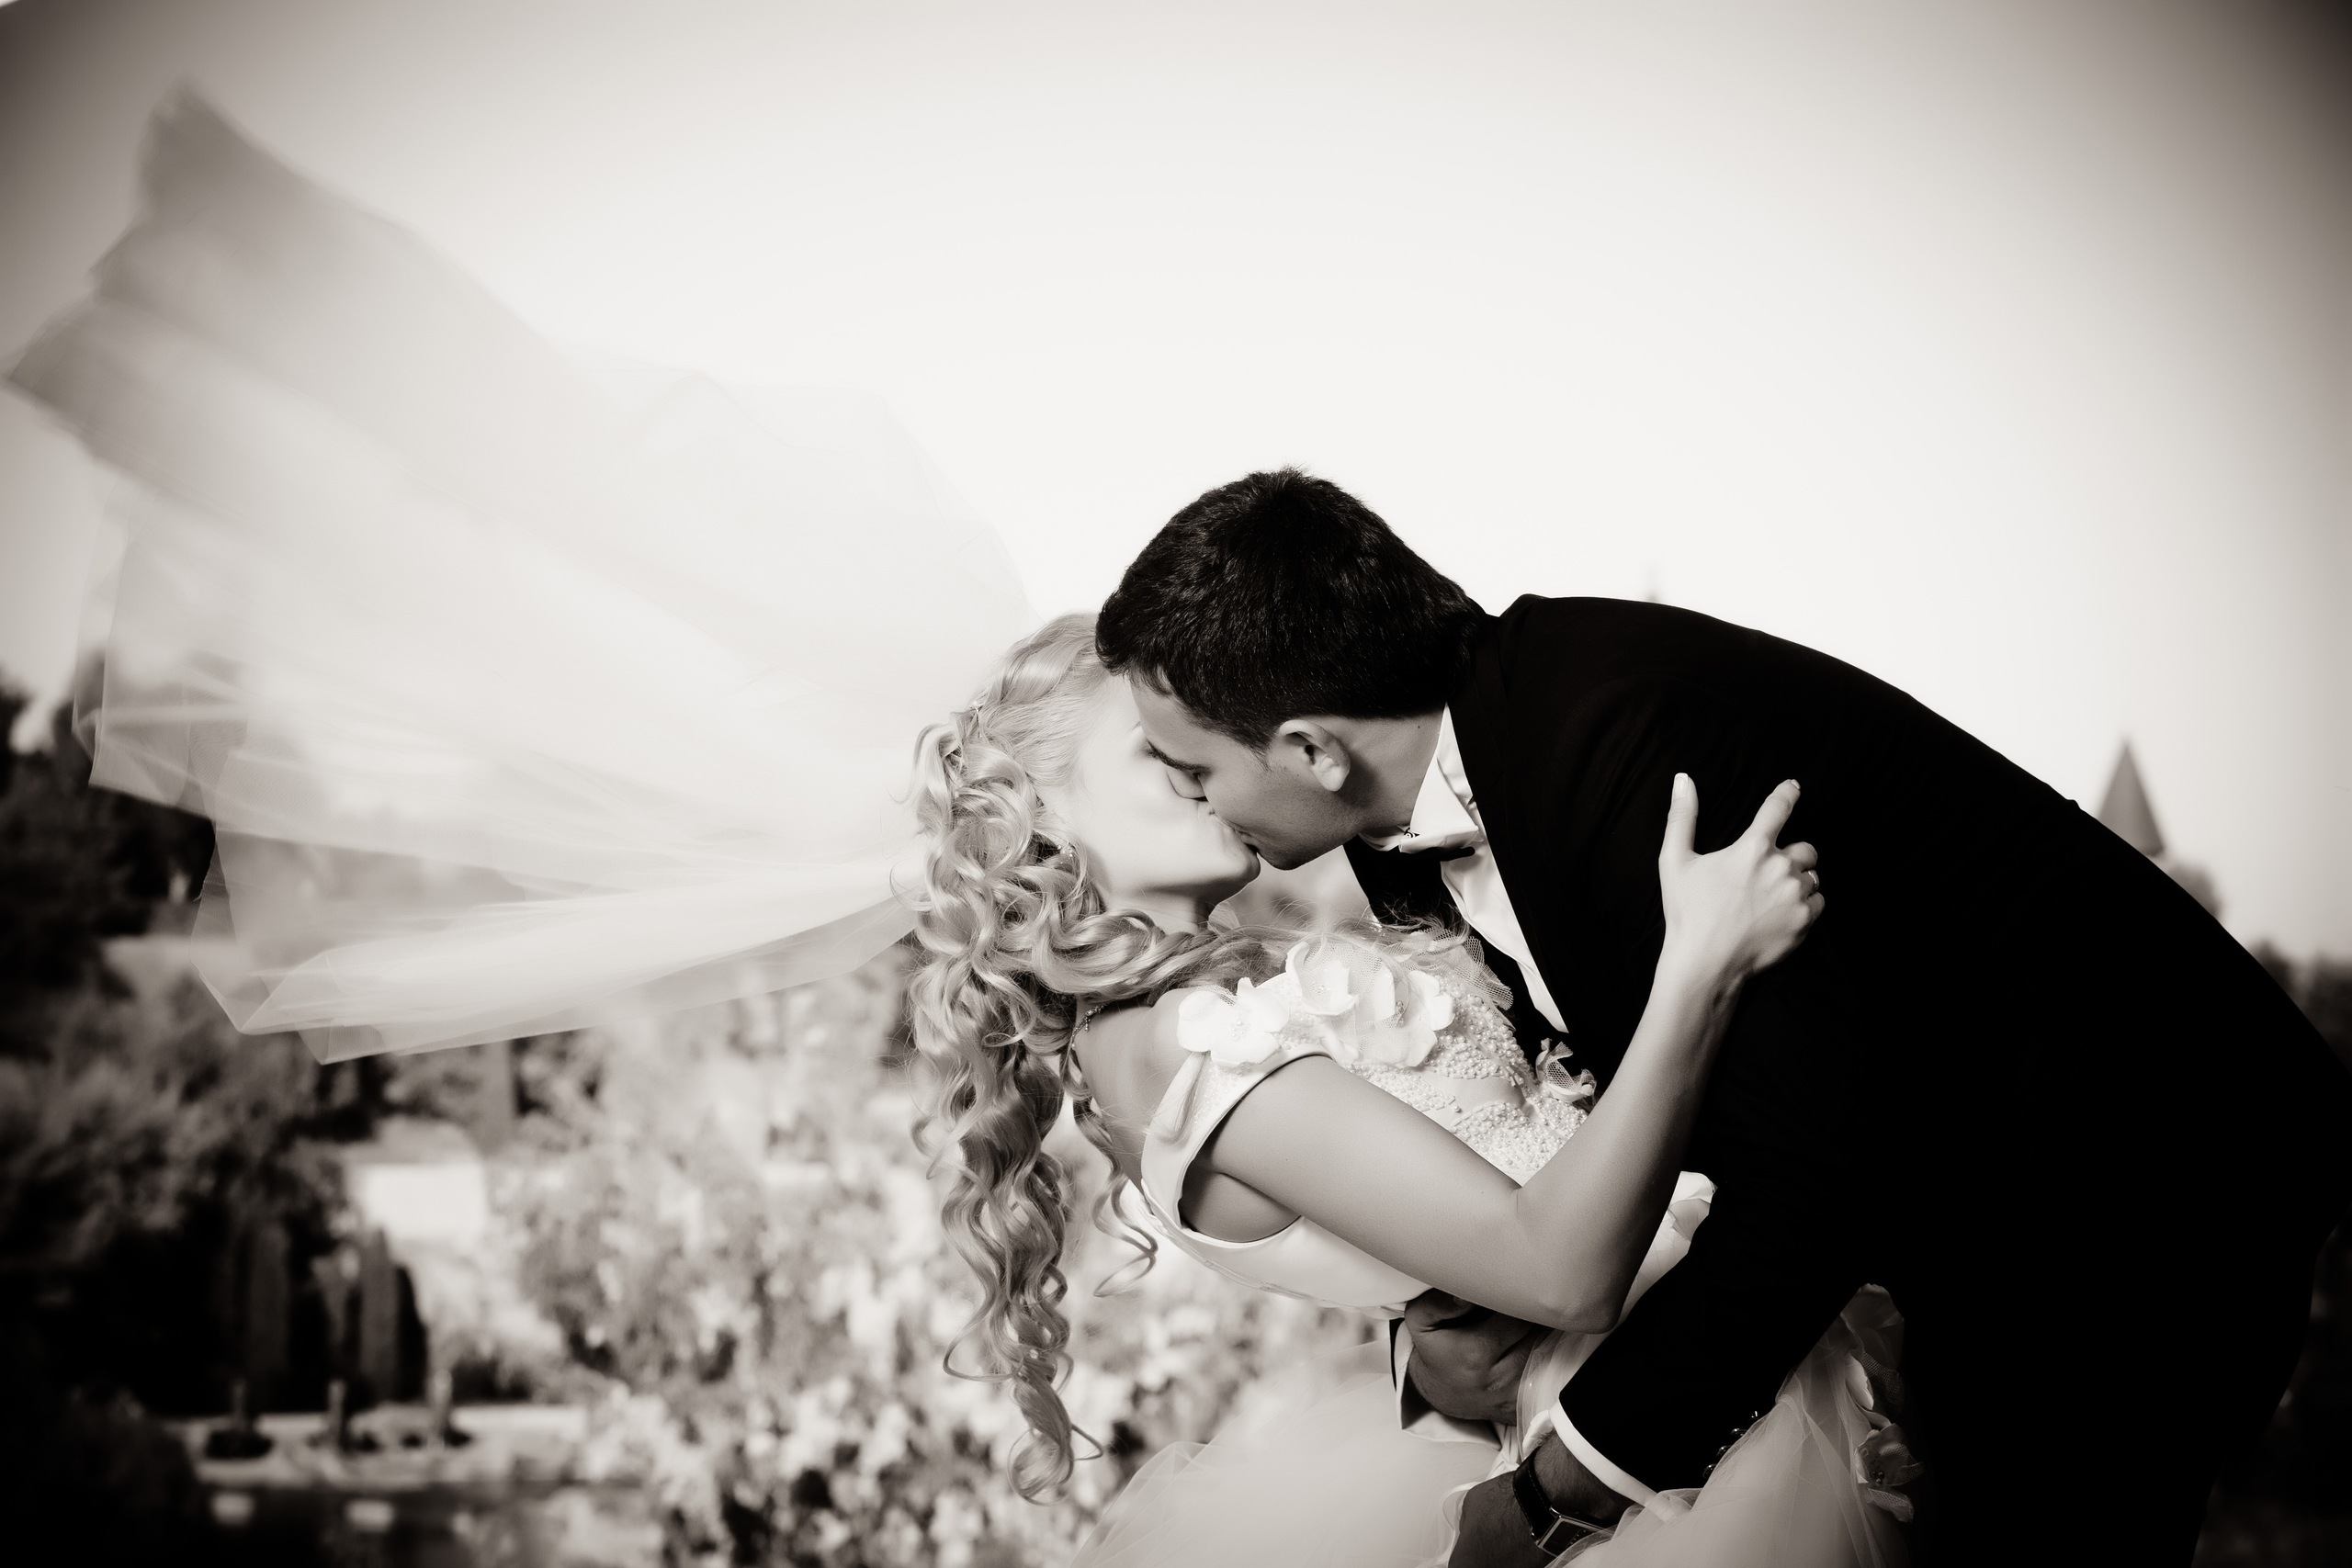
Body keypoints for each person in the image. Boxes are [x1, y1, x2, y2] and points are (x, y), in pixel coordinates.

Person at [1090, 468, 2352, 1566]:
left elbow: (1809, 1175)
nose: (1202, 806)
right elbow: (1576, 1119)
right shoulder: (1404, 830)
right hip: (1928, 1219)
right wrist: (1443, 1331)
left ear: (1312, 748)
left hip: (2125, 1186)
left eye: (1197, 770)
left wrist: (1556, 1495)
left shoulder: (1624, 733)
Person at [904, 612, 1922, 1566]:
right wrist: (1699, 966)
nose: (1208, 772)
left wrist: (1422, 1344)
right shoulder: (1182, 1045)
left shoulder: (1201, 1008)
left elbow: (1416, 1206)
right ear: (1043, 814)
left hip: (1727, 1330)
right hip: (1668, 1428)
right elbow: (1560, 1271)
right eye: (1161, 752)